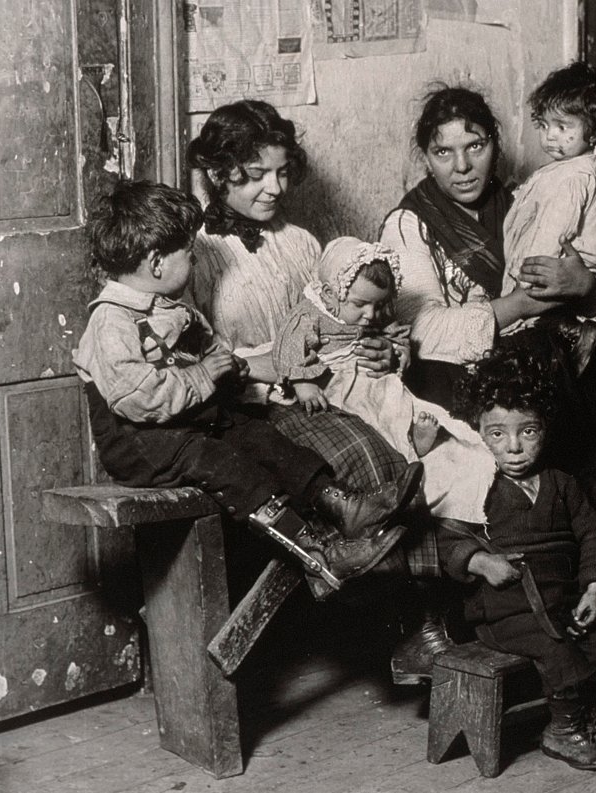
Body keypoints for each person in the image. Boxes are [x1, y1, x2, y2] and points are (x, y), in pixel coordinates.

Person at [379, 83, 596, 734]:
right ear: (425, 156)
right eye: (444, 151)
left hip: (552, 376)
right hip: (459, 393)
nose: (463, 165)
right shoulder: (409, 224)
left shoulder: (541, 194)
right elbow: (421, 332)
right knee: (572, 474)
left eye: (475, 145)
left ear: (496, 145)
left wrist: (588, 287)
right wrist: (518, 308)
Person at [184, 100, 454, 683]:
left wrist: (383, 348)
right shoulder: (196, 252)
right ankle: (414, 625)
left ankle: (429, 621)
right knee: (368, 455)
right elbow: (200, 358)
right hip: (253, 406)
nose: (274, 187)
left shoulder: (305, 243)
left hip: (331, 388)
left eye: (282, 172)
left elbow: (349, 318)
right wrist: (275, 372)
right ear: (216, 171)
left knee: (423, 451)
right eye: (254, 175)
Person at [72, 180, 422, 593]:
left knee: (261, 436)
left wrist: (234, 369)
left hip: (182, 425)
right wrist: (204, 373)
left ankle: (343, 506)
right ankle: (319, 553)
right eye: (189, 254)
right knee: (226, 464)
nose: (195, 263)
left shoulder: (172, 309)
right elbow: (137, 399)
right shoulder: (111, 321)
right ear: (156, 263)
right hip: (139, 442)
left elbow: (218, 362)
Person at [442, 346, 596, 772]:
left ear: (545, 429)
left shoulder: (562, 483)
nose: (514, 447)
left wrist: (594, 586)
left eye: (527, 432)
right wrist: (480, 561)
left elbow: (592, 537)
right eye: (497, 434)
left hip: (563, 596)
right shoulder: (476, 485)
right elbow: (446, 540)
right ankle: (562, 730)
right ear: (477, 432)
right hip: (507, 608)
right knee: (557, 650)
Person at [272, 236, 496, 523]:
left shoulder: (366, 312)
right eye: (361, 305)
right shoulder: (310, 315)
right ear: (330, 293)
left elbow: (388, 329)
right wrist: (303, 382)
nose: (370, 314)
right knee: (372, 418)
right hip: (337, 385)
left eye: (378, 306)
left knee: (399, 404)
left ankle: (415, 439)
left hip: (370, 379)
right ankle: (408, 451)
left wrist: (395, 343)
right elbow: (287, 346)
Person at [501, 61, 596, 334]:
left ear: (595, 131)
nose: (550, 136)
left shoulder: (571, 178)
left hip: (551, 293)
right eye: (544, 125)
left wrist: (523, 286)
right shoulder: (582, 168)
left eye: (563, 127)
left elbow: (552, 234)